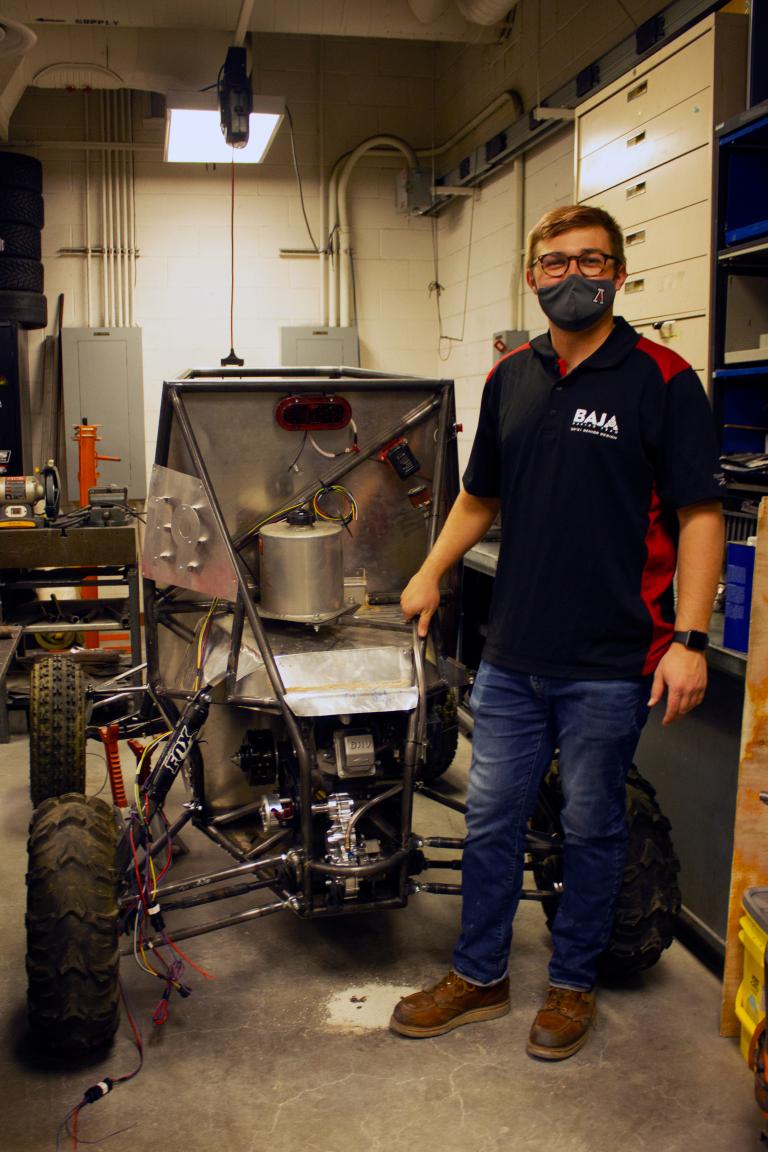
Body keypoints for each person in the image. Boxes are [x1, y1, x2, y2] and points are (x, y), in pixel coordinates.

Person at [390, 204, 725, 1059]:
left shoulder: (663, 378)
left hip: (613, 659)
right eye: (554, 263)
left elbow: (698, 514)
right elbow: (478, 497)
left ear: (618, 272)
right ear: (532, 276)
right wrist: (430, 570)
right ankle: (481, 975)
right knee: (492, 818)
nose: (572, 276)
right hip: (513, 655)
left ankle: (571, 987)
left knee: (592, 825)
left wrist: (688, 641)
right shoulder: (511, 377)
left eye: (590, 261)